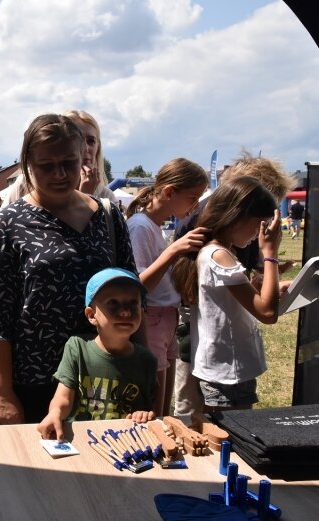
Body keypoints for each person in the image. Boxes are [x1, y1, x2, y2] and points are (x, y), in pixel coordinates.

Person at [0, 113, 137, 426]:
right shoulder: (8, 223)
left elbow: (132, 294)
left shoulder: (107, 216)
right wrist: (3, 392)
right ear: (27, 164)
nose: (60, 173)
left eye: (69, 162)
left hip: (103, 380)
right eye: (46, 165)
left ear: (84, 159)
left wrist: (139, 367)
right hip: (35, 383)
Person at [172, 153, 294, 418]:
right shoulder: (219, 255)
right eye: (258, 226)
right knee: (230, 441)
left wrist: (264, 285)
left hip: (228, 369)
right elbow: (267, 313)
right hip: (227, 372)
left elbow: (243, 303)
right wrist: (271, 253)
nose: (256, 236)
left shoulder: (218, 252)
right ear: (237, 216)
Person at [124, 158, 209, 416]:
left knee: (164, 407)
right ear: (170, 192)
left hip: (166, 318)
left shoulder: (154, 226)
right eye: (193, 197)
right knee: (153, 407)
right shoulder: (140, 227)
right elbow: (136, 285)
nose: (195, 205)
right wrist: (173, 250)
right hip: (153, 320)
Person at [38, 268, 157, 440]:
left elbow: (151, 410)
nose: (125, 311)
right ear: (91, 315)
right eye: (113, 303)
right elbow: (63, 398)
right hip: (81, 440)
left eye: (133, 303)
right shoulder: (77, 348)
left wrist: (144, 415)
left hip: (127, 444)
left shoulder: (147, 360)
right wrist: (55, 413)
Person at [0, 110, 118, 209]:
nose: (85, 148)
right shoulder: (25, 184)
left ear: (98, 146)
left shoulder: (107, 199)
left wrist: (86, 198)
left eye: (91, 141)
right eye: (79, 139)